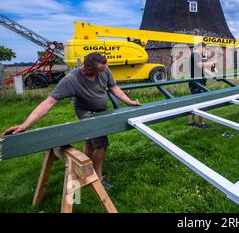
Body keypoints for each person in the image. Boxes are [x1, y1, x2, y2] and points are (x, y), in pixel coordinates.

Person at [2, 52, 141, 190]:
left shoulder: (103, 69)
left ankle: (82, 172)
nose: (104, 72)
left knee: (89, 140)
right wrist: (25, 125)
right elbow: (48, 103)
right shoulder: (71, 80)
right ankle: (98, 179)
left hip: (101, 111)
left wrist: (129, 101)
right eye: (101, 70)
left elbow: (113, 87)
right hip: (86, 112)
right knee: (101, 143)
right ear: (88, 69)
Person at [187, 42, 216, 128]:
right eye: (205, 49)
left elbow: (203, 69)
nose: (205, 51)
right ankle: (201, 123)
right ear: (201, 47)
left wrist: (214, 76)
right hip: (197, 83)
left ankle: (191, 121)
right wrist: (212, 62)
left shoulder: (196, 56)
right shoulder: (195, 55)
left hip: (198, 82)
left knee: (195, 103)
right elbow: (200, 66)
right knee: (201, 102)